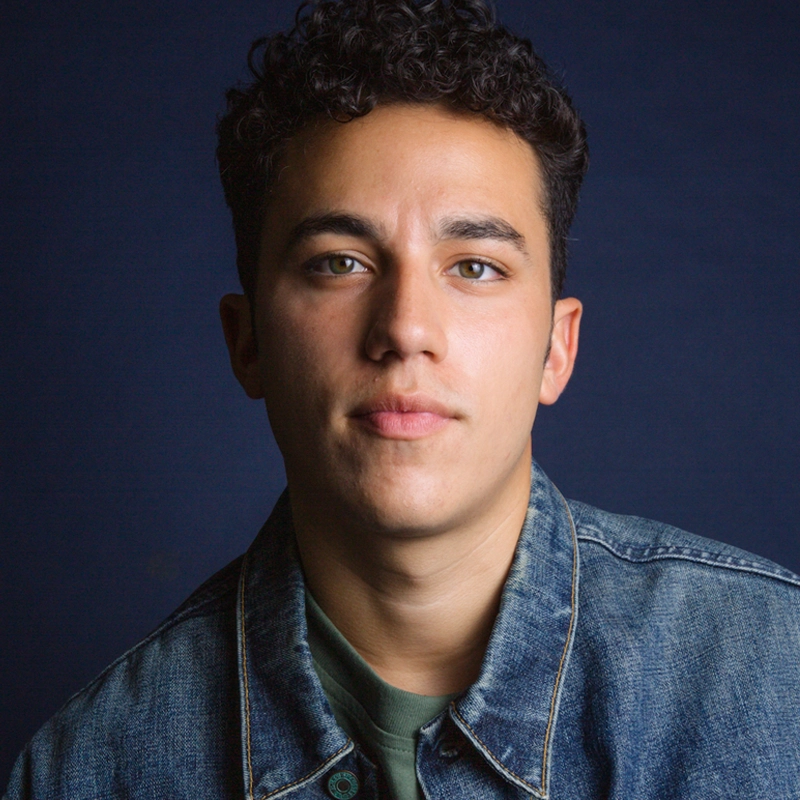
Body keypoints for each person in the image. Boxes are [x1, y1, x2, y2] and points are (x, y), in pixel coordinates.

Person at [5, 0, 800, 798]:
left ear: (557, 349)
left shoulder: (777, 681)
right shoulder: (89, 770)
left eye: (475, 267)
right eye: (340, 263)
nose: (405, 328)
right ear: (246, 342)